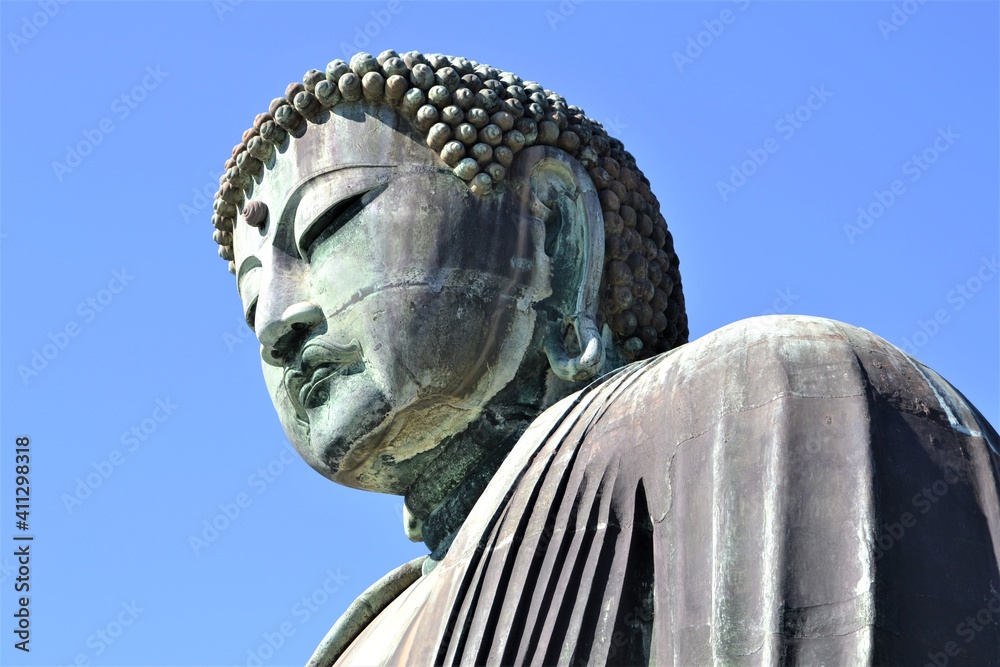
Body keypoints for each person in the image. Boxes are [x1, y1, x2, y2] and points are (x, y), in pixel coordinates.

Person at [210, 50, 1000, 666]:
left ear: (549, 230)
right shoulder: (362, 639)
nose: (278, 321)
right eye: (252, 300)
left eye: (332, 225)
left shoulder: (766, 396)